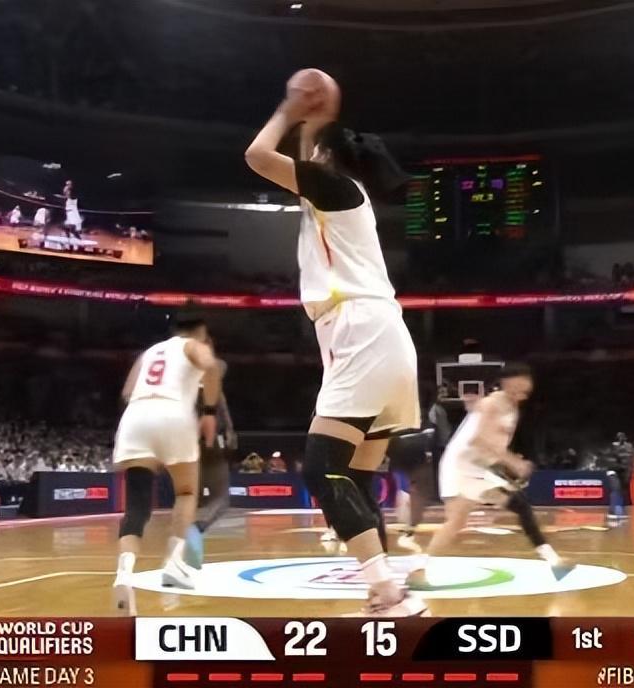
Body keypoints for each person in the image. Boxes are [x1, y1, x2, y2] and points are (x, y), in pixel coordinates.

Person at [245, 78, 424, 616]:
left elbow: (257, 156)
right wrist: (312, 124)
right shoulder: (340, 194)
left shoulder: (332, 185)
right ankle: (387, 594)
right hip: (381, 335)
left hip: (360, 332)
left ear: (324, 157)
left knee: (321, 468)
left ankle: (385, 588)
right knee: (358, 477)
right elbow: (305, 160)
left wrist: (288, 109)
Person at [407, 364, 573, 587]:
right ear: (506, 382)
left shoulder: (512, 409)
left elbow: (494, 447)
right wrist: (513, 462)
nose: (522, 393)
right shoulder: (491, 404)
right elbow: (479, 441)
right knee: (455, 522)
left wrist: (503, 466)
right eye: (518, 386)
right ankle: (418, 569)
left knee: (520, 505)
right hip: (461, 466)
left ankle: (555, 562)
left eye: (525, 390)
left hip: (480, 467)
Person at [111, 316, 222, 615]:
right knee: (186, 492)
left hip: (136, 414)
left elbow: (126, 392)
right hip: (172, 412)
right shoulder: (193, 345)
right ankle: (173, 564)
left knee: (136, 505)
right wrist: (209, 411)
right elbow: (211, 366)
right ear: (200, 331)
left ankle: (124, 573)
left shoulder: (150, 352)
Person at [183, 346, 236, 569]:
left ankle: (184, 553)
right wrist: (230, 431)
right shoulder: (211, 382)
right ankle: (197, 528)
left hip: (184, 444)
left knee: (190, 499)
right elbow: (219, 407)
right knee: (221, 499)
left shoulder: (181, 384)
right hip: (209, 442)